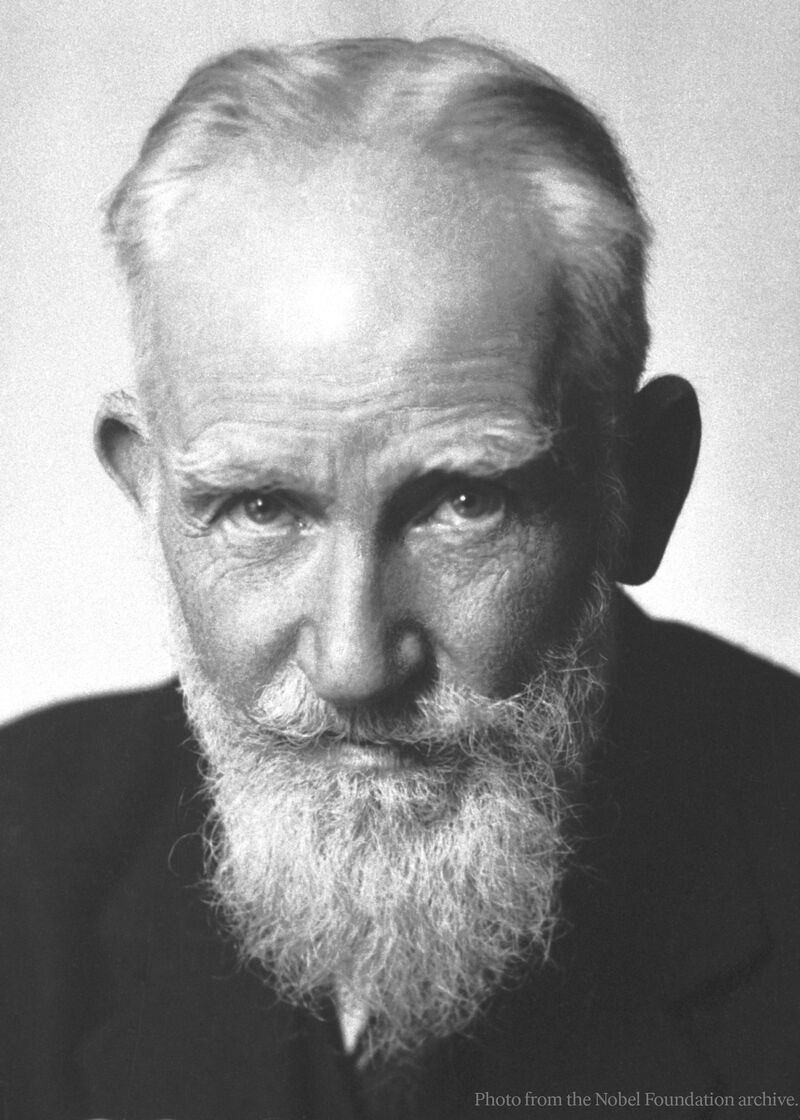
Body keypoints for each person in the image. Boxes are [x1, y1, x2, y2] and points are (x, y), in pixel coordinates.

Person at [1, 35, 798, 1120]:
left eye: (465, 501)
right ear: (149, 498)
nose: (353, 663)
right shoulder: (21, 868)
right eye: (261, 507)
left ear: (642, 487)